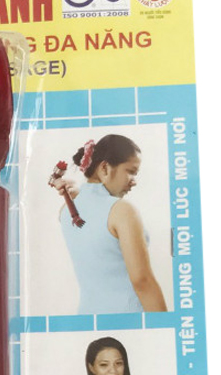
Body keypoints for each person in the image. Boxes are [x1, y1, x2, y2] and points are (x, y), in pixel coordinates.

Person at [54, 135, 167, 315]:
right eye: (131, 171)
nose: (134, 181)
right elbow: (142, 281)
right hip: (127, 318)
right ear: (105, 168)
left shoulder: (65, 211)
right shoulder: (122, 211)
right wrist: (163, 325)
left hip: (86, 317)